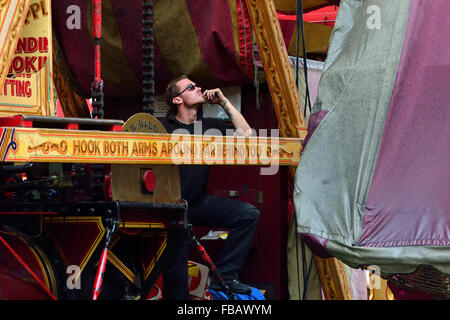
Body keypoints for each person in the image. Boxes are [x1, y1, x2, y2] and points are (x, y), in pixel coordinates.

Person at [160, 75, 260, 299]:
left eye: (197, 85)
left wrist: (224, 102)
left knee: (248, 214)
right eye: (191, 87)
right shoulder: (163, 128)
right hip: (170, 208)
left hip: (197, 202)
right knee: (176, 279)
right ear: (177, 100)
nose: (199, 88)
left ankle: (224, 277)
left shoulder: (209, 127)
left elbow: (248, 136)